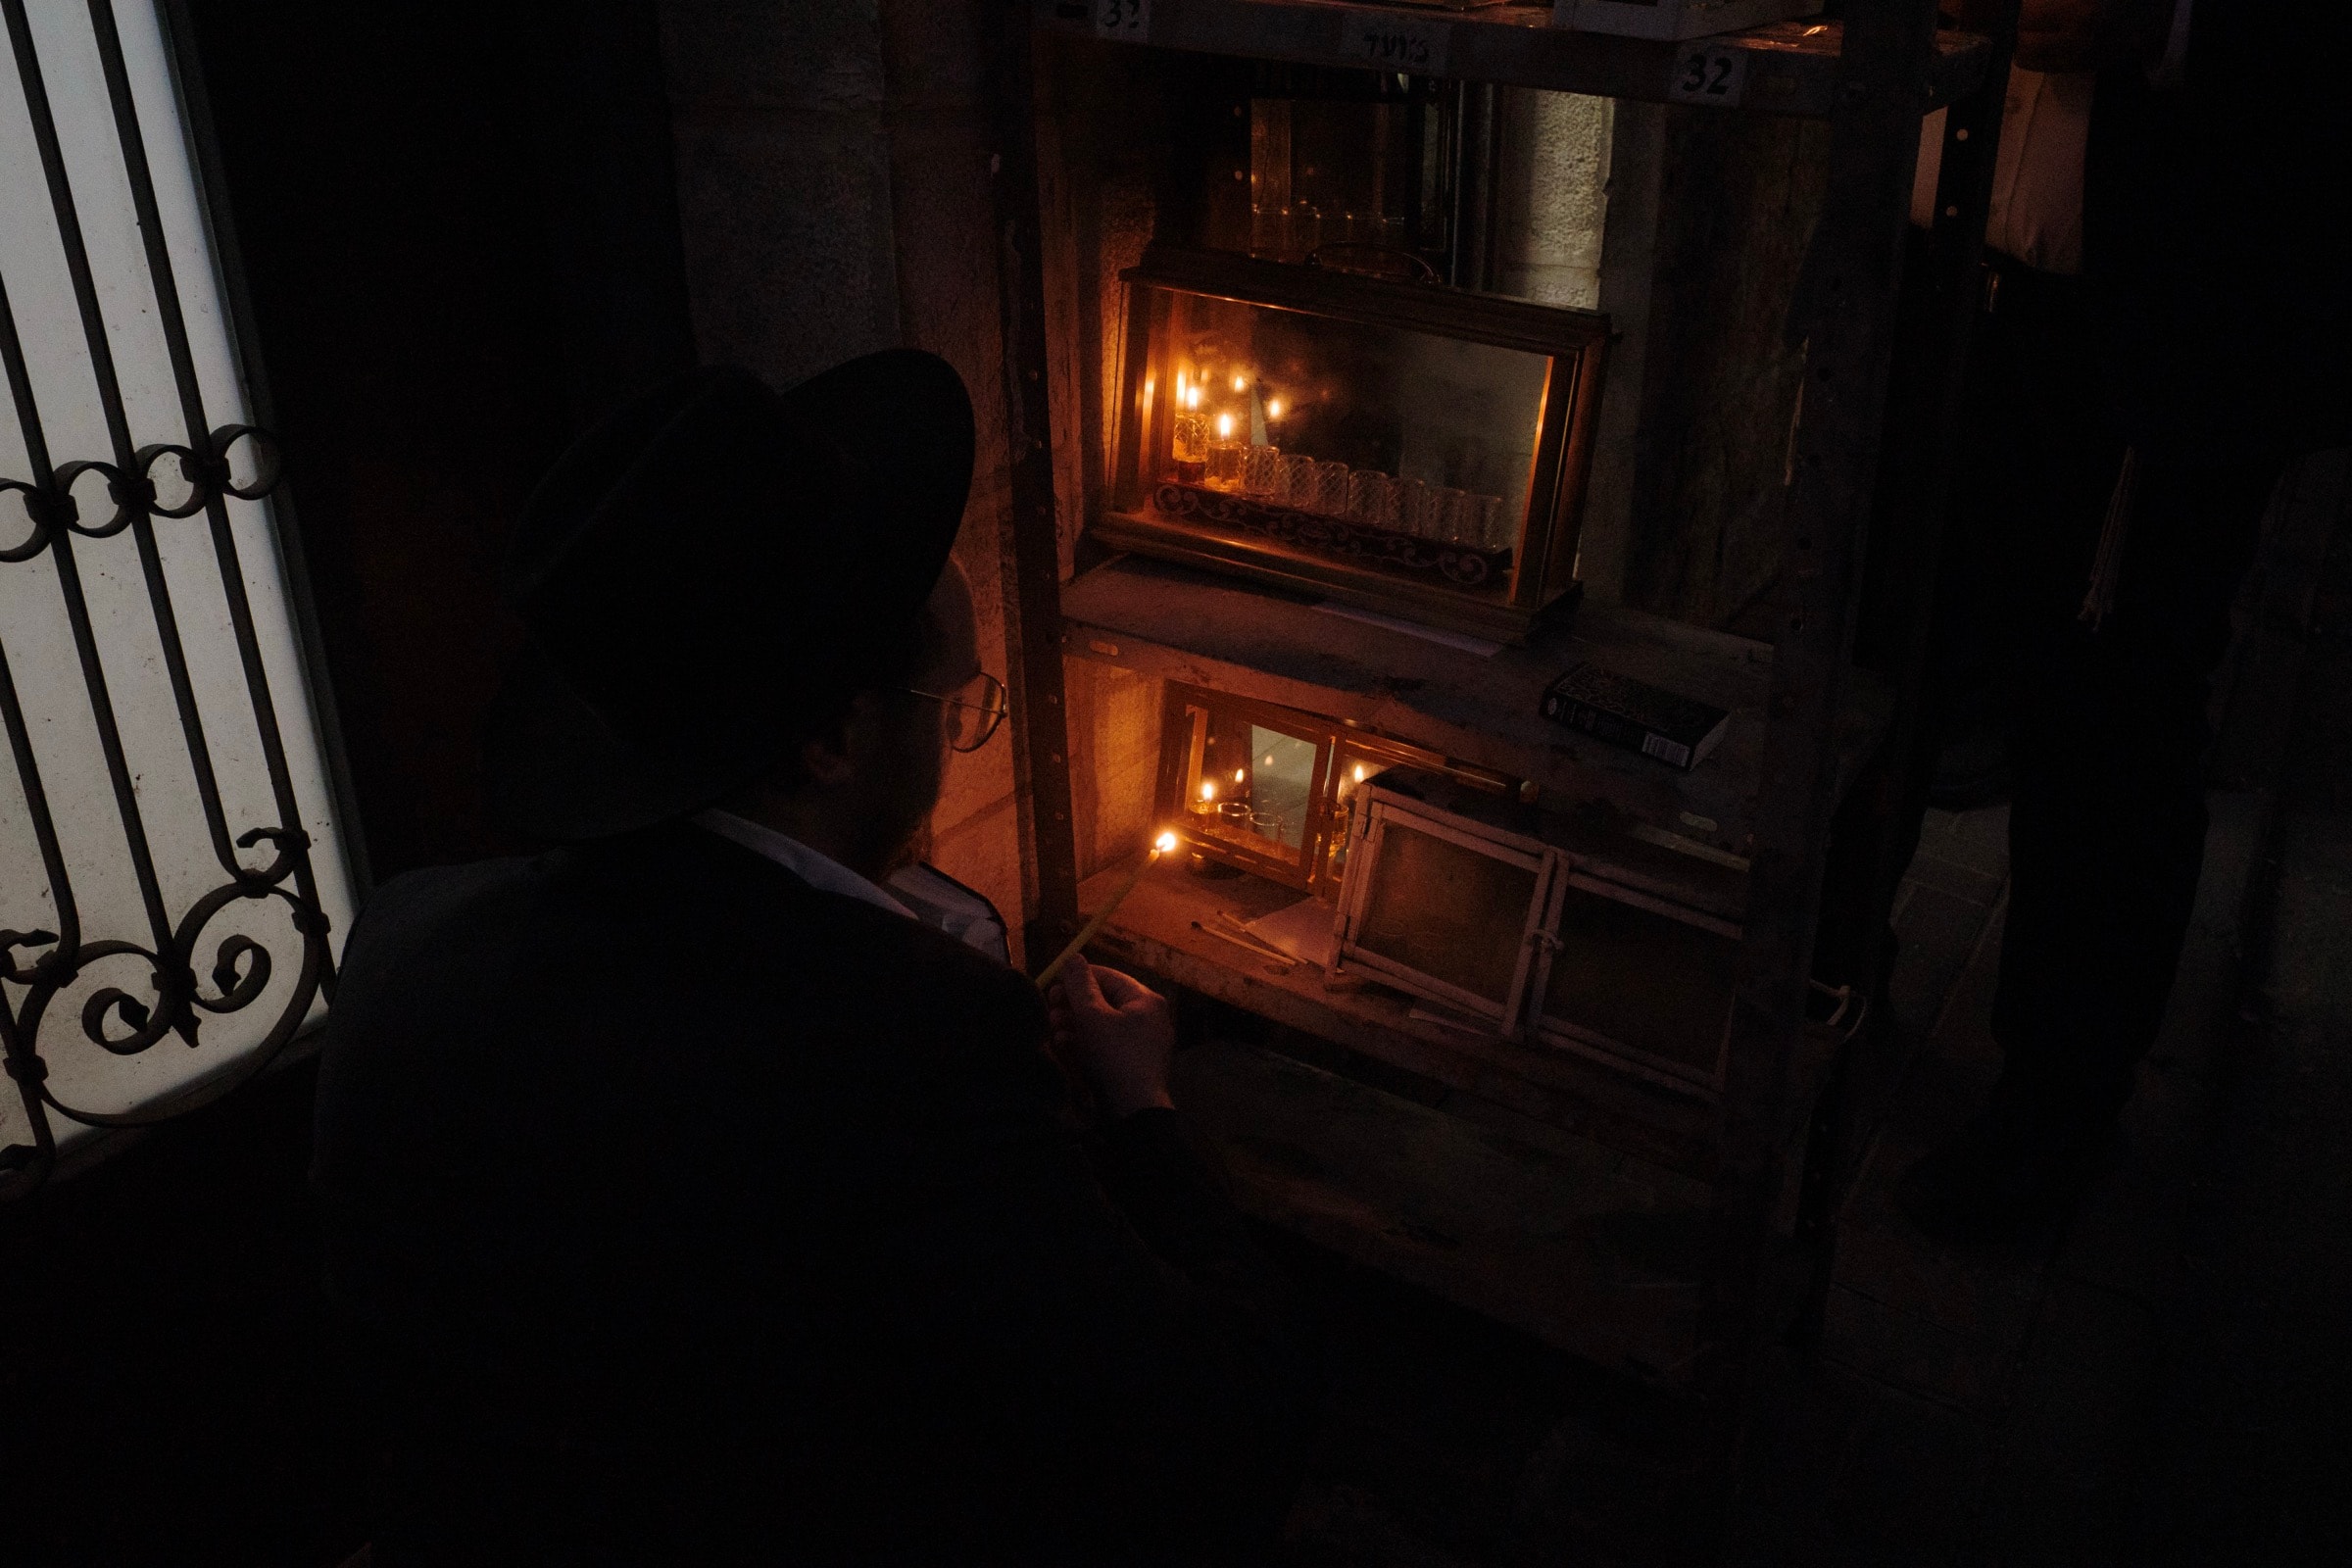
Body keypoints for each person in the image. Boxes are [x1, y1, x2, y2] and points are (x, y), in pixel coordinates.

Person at [313, 354, 1314, 1563]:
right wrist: (1142, 1103)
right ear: (837, 737)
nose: (953, 732)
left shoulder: (406, 937)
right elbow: (1207, 1423)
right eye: (950, 702)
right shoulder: (919, 1048)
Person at [1898, 0, 2350, 1238]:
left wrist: (2168, 28)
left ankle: (2055, 1113)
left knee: (2107, 725)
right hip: (1938, 284)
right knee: (1899, 651)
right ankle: (1833, 984)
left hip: (2151, 332)